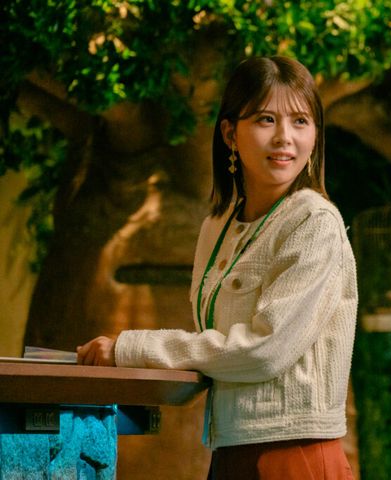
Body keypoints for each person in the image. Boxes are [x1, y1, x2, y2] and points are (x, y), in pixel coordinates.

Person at [77, 56, 358, 480]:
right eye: (266, 119)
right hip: (228, 449)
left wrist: (131, 348)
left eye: (301, 121)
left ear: (316, 135)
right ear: (230, 133)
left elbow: (263, 351)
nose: (285, 138)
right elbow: (216, 348)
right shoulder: (216, 228)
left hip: (293, 454)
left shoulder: (314, 223)